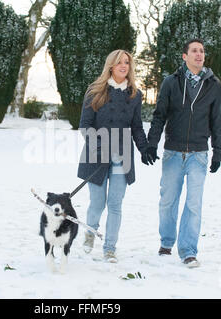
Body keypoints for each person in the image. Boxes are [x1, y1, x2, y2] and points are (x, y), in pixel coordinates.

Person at [143, 39, 221, 268]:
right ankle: (167, 242)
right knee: (168, 202)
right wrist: (152, 144)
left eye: (202, 51)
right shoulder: (171, 82)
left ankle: (188, 251)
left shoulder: (213, 85)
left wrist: (218, 151)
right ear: (184, 56)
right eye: (194, 51)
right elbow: (159, 115)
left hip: (198, 154)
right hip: (173, 153)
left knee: (193, 204)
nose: (199, 55)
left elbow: (216, 122)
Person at [77, 49, 148, 263]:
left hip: (122, 155)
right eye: (119, 62)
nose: (124, 66)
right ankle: (90, 231)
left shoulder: (135, 94)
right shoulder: (95, 90)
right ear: (111, 66)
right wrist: (99, 146)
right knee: (97, 203)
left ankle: (110, 248)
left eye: (127, 62)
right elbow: (85, 125)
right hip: (96, 155)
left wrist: (144, 148)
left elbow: (136, 127)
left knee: (116, 204)